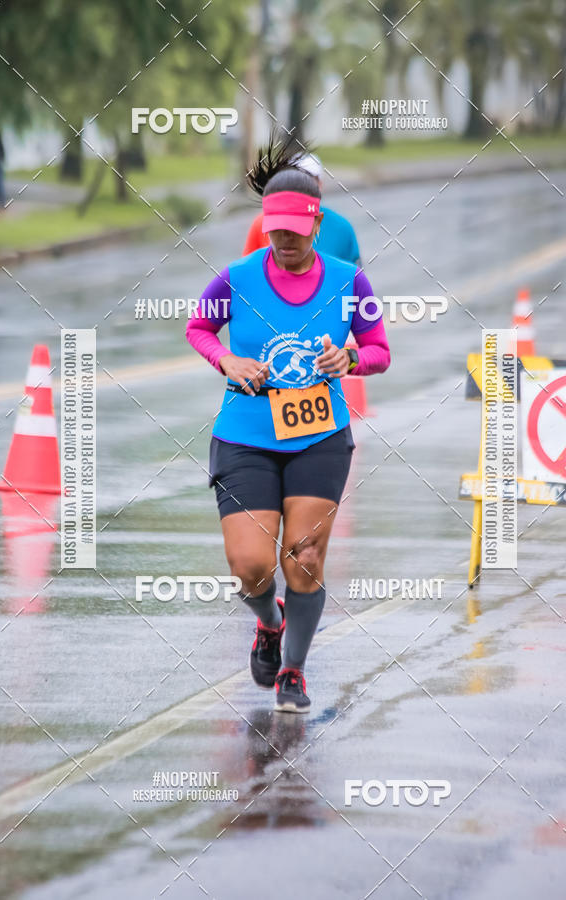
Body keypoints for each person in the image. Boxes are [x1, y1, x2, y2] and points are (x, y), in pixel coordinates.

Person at [186, 135, 390, 713]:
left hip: (319, 437)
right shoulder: (237, 278)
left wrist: (350, 358)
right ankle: (269, 622)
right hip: (245, 436)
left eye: (296, 232)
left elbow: (379, 351)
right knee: (251, 565)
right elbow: (199, 327)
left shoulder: (350, 282)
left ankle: (293, 670)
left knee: (304, 558)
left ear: (317, 223)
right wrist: (225, 359)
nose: (285, 241)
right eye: (276, 230)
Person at [242, 151, 361, 265]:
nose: (302, 185)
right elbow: (247, 268)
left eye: (310, 178)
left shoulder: (342, 227)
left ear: (320, 184)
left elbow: (354, 271)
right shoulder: (261, 223)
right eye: (297, 177)